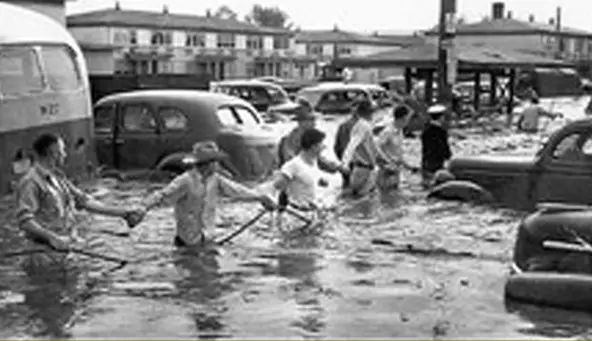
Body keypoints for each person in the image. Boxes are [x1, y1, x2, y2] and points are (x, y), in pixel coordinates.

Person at [15, 133, 143, 337]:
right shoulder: (31, 182)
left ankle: (60, 332)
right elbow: (24, 220)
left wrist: (123, 213)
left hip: (65, 254)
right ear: (52, 153)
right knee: (46, 309)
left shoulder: (58, 178)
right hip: (42, 256)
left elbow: (85, 202)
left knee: (65, 309)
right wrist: (51, 237)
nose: (65, 154)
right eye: (63, 150)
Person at [138, 141, 276, 248]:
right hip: (188, 242)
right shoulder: (185, 181)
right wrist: (143, 208)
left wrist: (260, 197)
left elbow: (237, 190)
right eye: (215, 162)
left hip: (208, 239)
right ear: (206, 164)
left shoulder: (215, 179)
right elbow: (163, 195)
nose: (218, 165)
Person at [271, 128, 339, 219]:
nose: (324, 147)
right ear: (313, 146)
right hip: (296, 216)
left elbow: (306, 180)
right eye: (321, 144)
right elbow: (276, 187)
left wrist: (320, 182)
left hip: (312, 213)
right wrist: (277, 212)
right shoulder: (293, 165)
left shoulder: (314, 161)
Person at [340, 100, 389, 197]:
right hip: (363, 170)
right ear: (367, 112)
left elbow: (374, 147)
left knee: (364, 201)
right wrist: (344, 163)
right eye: (372, 111)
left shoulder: (364, 125)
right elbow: (351, 146)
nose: (374, 114)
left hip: (364, 169)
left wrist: (385, 160)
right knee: (362, 201)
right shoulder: (363, 126)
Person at [376, 105, 420, 191]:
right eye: (408, 118)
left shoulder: (400, 131)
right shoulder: (388, 132)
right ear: (402, 118)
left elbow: (398, 155)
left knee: (393, 198)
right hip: (386, 173)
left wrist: (409, 167)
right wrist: (386, 163)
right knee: (385, 195)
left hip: (396, 171)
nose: (409, 121)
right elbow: (376, 149)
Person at [421, 104, 452, 189]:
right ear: (441, 117)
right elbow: (443, 148)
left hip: (426, 165)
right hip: (437, 165)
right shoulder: (441, 132)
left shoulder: (425, 131)